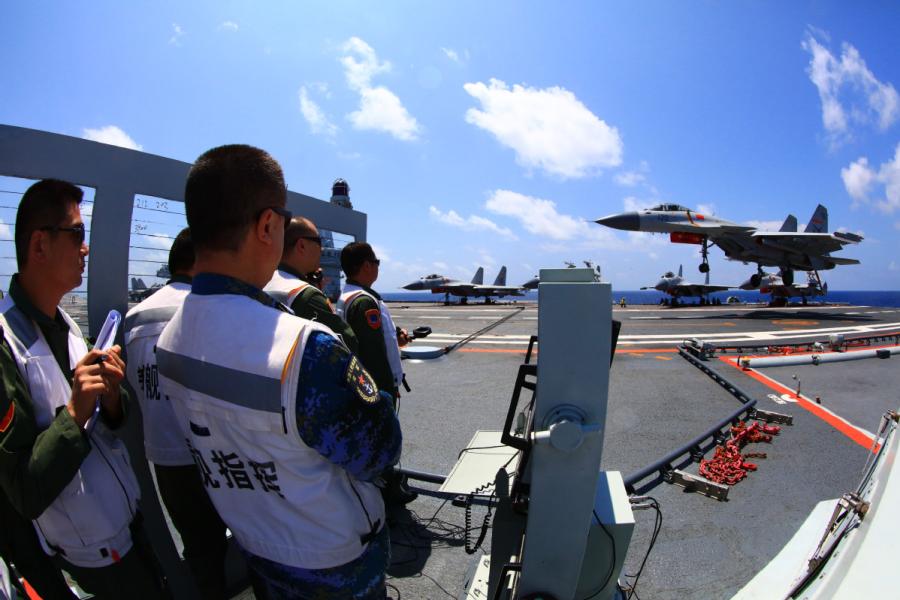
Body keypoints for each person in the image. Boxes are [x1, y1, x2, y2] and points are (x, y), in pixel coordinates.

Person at [156, 145, 402, 598]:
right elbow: (380, 451)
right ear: (268, 224)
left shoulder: (168, 338)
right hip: (332, 560)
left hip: (256, 545)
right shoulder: (305, 348)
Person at [0, 179, 165, 599]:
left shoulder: (68, 325)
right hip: (88, 561)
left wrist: (110, 395)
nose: (86, 248)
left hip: (127, 528)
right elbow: (23, 490)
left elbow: (112, 417)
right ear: (40, 245)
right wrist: (74, 412)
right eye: (77, 234)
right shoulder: (5, 344)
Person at [124, 228, 227, 599]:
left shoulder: (134, 316)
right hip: (213, 453)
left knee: (198, 548)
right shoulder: (206, 308)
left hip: (165, 457)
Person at [337, 242, 416, 505]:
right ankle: (384, 492)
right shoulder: (364, 302)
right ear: (367, 265)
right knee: (381, 438)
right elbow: (373, 354)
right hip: (375, 387)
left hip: (355, 384)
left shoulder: (348, 296)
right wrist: (386, 389)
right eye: (376, 262)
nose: (378, 267)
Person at [264, 217, 359, 353]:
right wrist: (317, 295)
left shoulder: (265, 282)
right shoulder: (308, 296)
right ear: (301, 245)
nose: (321, 249)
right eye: (318, 242)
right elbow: (348, 342)